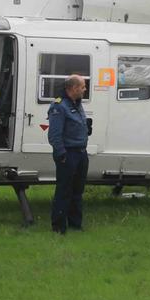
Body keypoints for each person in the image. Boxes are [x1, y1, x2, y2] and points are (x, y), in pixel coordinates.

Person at [48, 74, 89, 233]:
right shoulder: (59, 106)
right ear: (73, 88)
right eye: (83, 87)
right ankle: (58, 227)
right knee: (64, 191)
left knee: (77, 191)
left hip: (81, 153)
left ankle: (75, 224)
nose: (85, 90)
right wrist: (61, 154)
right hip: (68, 154)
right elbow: (54, 135)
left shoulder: (77, 103)